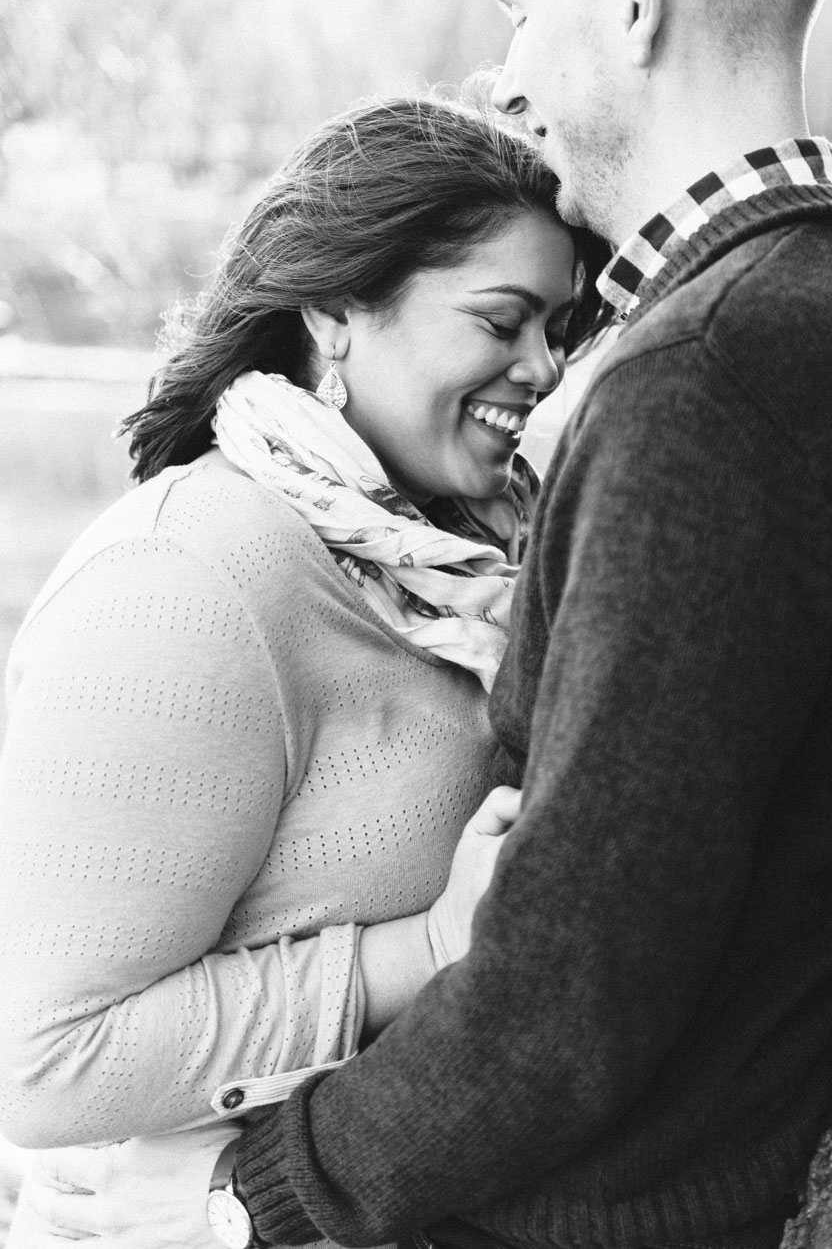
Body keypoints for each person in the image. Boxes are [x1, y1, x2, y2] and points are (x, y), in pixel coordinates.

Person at [17, 0, 832, 1249]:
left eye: (518, 11)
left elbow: (577, 975)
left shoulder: (709, 381)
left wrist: (259, 1194)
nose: (505, 69)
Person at [0, 95, 608, 1242]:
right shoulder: (186, 580)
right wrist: (418, 954)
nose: (542, 370)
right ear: (334, 312)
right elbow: (48, 1061)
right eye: (501, 320)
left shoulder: (470, 560)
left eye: (558, 329)